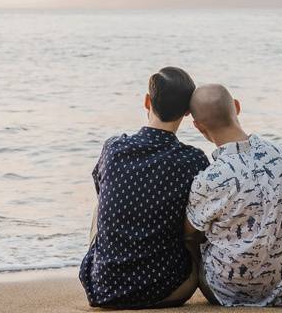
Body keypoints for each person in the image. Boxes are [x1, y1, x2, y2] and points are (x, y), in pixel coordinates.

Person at [79, 67, 210, 309]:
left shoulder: (113, 148)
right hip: (165, 288)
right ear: (187, 112)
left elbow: (103, 193)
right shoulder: (194, 160)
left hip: (102, 288)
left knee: (102, 203)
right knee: (197, 216)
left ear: (147, 101)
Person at [186, 84, 282, 307]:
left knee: (199, 226)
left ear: (198, 127)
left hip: (223, 292)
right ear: (237, 107)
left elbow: (189, 232)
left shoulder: (209, 179)